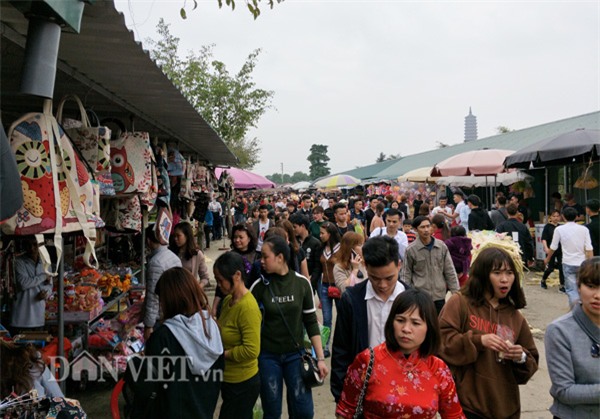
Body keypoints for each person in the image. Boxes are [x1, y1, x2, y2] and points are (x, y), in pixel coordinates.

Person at [438, 247, 539, 419]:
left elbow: (531, 361)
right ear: (483, 274)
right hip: (467, 404)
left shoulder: (515, 317)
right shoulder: (460, 303)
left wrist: (520, 356)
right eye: (497, 273)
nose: (505, 279)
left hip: (506, 406)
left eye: (509, 273)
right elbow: (441, 342)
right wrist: (478, 341)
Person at [335, 289, 465, 419]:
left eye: (415, 323)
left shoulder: (439, 369)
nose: (406, 329)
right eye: (400, 320)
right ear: (391, 322)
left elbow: (454, 415)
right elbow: (345, 411)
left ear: (429, 327)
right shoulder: (368, 360)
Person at [250, 236, 328, 419]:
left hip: (296, 356)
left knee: (303, 411)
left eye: (265, 256)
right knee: (271, 409)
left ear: (280, 257)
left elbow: (310, 322)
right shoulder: (259, 287)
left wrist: (321, 358)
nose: (261, 261)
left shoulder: (301, 283)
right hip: (267, 357)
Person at [132, 267, 223, 419]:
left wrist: (134, 365)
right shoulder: (211, 328)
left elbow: (148, 386)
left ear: (170, 300)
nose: (161, 306)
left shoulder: (163, 337)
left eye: (161, 300)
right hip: (205, 411)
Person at [331, 236, 407, 402]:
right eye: (375, 278)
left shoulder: (412, 300)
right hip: (365, 391)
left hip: (404, 390)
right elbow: (341, 350)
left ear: (399, 265)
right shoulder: (352, 300)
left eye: (389, 278)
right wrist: (341, 396)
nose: (383, 285)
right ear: (365, 266)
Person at [545, 257, 600, 419]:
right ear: (578, 286)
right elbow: (564, 390)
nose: (597, 295)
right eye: (591, 286)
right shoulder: (560, 330)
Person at [214, 252, 261, 419]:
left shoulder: (248, 307)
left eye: (221, 280)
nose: (218, 285)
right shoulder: (228, 301)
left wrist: (223, 354)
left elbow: (251, 350)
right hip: (228, 379)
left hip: (243, 383)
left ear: (237, 275)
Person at [403, 216, 459, 314]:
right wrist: (408, 296)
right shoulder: (411, 250)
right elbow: (406, 275)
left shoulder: (441, 247)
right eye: (422, 227)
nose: (426, 230)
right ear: (415, 229)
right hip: (420, 298)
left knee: (438, 325)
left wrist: (456, 294)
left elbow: (450, 271)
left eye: (428, 226)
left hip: (439, 297)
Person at [545, 207, 594, 307]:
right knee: (583, 288)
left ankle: (575, 311)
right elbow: (589, 248)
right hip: (582, 263)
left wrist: (548, 258)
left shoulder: (559, 229)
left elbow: (553, 247)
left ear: (563, 217)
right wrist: (591, 263)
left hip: (568, 262)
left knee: (572, 290)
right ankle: (583, 309)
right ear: (576, 217)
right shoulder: (584, 229)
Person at [212, 223, 260, 317]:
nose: (237, 240)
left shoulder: (258, 257)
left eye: (241, 237)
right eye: (235, 237)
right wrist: (214, 306)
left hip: (250, 304)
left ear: (249, 238)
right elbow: (220, 286)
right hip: (229, 302)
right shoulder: (228, 257)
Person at [143, 225, 182, 341]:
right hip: (174, 311)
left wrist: (149, 325)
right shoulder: (173, 257)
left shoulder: (156, 262)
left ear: (148, 241)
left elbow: (152, 296)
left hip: (162, 316)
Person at [10, 236, 53, 334]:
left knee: (37, 348)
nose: (32, 248)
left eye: (34, 244)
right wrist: (43, 276)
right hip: (21, 319)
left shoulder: (45, 262)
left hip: (39, 317)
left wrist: (45, 293)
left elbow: (50, 285)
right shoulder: (18, 262)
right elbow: (23, 284)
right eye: (28, 245)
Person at [315, 221, 342, 357]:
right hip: (325, 286)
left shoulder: (341, 248)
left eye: (322, 233)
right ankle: (325, 346)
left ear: (330, 234)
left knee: (342, 317)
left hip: (338, 286)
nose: (320, 235)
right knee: (326, 318)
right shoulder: (321, 248)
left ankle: (341, 344)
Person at [169, 221, 210, 289]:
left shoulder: (197, 254)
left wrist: (198, 288)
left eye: (178, 236)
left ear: (187, 236)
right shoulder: (170, 253)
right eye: (174, 236)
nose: (175, 239)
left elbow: (205, 277)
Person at [290, 213, 322, 291]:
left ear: (303, 226)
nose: (293, 230)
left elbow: (318, 266)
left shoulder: (316, 243)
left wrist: (311, 281)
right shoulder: (292, 243)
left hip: (311, 281)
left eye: (295, 227)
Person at [541, 210, 565, 291]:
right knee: (550, 268)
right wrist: (546, 248)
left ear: (560, 217)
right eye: (554, 216)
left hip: (560, 250)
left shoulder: (561, 227)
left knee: (562, 268)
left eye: (557, 216)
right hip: (550, 250)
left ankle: (562, 285)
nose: (555, 218)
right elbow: (544, 238)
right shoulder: (547, 226)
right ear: (550, 217)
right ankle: (543, 280)